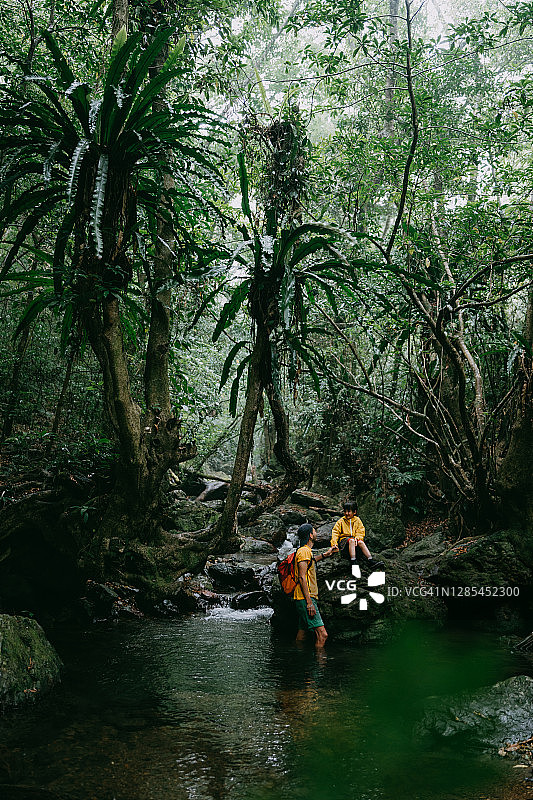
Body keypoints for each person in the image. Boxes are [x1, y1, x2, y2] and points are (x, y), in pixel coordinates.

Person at [293, 523, 336, 648]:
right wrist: (309, 602)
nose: (316, 533)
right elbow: (301, 576)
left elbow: (309, 563)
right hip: (305, 598)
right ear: (311, 535)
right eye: (315, 531)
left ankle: (298, 659)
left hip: (302, 598)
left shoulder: (305, 552)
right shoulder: (304, 551)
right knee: (322, 635)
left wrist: (325, 555)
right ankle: (319, 665)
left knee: (302, 633)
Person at [330, 500, 384, 572]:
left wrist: (358, 538)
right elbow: (335, 532)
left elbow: (361, 531)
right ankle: (353, 562)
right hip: (344, 542)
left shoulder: (357, 520)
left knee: (360, 542)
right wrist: (334, 544)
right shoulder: (341, 521)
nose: (346, 513)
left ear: (354, 512)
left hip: (354, 541)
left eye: (349, 511)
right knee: (351, 541)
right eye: (345, 511)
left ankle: (370, 560)